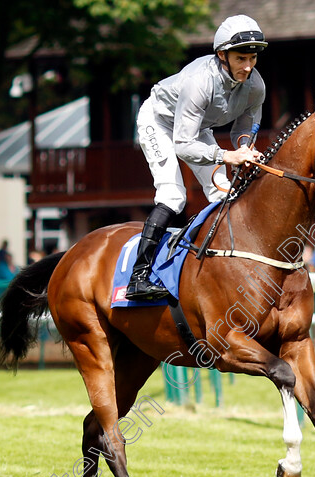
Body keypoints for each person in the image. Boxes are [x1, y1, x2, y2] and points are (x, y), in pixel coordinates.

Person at [126, 14, 267, 300]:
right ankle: (138, 277)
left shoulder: (256, 86)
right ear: (222, 55)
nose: (248, 66)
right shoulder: (199, 80)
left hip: (196, 128)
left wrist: (245, 149)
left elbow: (243, 128)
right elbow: (183, 145)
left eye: (252, 58)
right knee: (173, 194)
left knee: (222, 192)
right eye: (241, 59)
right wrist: (228, 155)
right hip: (160, 122)